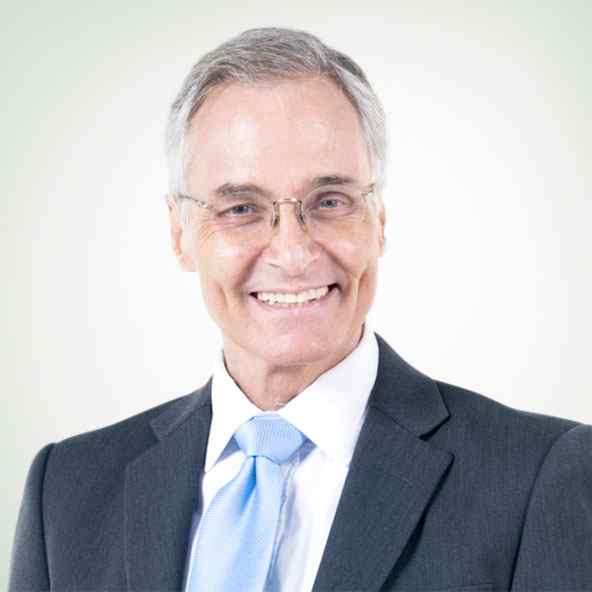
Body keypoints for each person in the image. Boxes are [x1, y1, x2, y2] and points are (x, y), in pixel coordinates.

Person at [9, 27, 591, 592]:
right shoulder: (66, 490)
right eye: (240, 208)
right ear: (179, 234)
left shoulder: (540, 478)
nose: (292, 254)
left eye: (330, 201)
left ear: (379, 220)